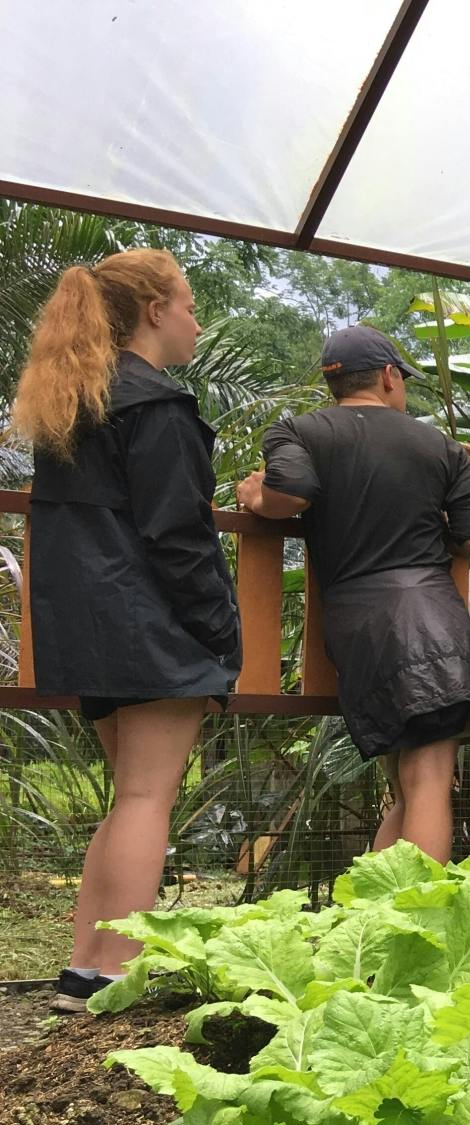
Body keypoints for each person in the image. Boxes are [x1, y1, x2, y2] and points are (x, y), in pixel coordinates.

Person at [7, 249, 240, 1006]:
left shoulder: (74, 403)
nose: (196, 321)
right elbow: (180, 537)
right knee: (148, 799)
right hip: (151, 626)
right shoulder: (156, 406)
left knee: (128, 796)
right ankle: (118, 976)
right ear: (153, 311)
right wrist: (217, 634)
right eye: (191, 305)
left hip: (88, 626)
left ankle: (85, 966)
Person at [237, 326, 470, 863]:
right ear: (388, 376)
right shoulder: (441, 446)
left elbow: (289, 493)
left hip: (356, 621)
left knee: (404, 790)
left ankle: (372, 917)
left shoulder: (297, 430)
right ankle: (419, 921)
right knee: (427, 780)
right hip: (429, 616)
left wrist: (253, 494)